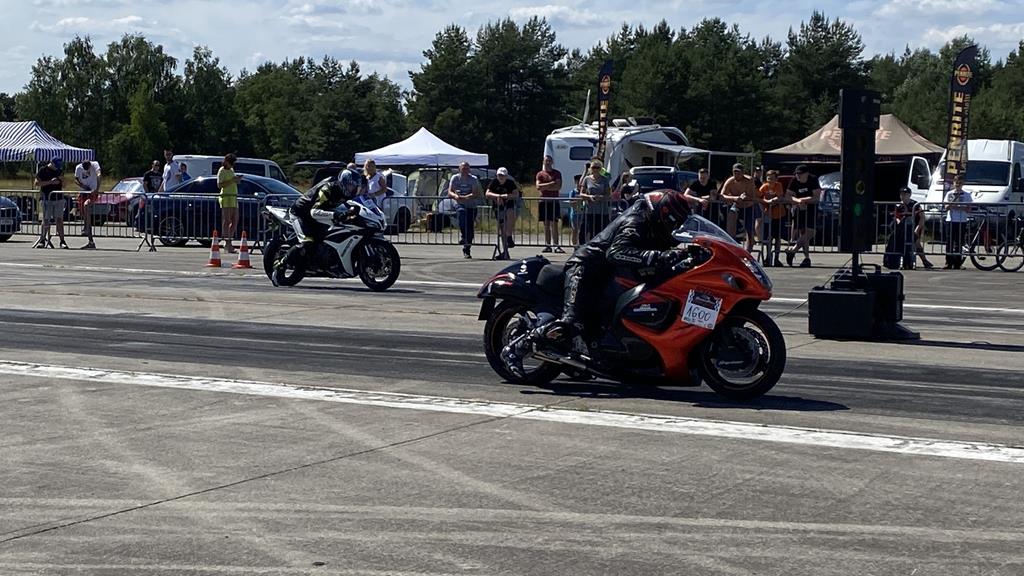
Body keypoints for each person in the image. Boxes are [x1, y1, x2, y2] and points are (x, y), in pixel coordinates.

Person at [504, 191, 694, 373]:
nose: (676, 227)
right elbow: (616, 252)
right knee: (571, 322)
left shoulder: (655, 223)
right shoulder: (636, 221)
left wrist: (690, 253)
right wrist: (657, 256)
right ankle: (517, 348)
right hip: (586, 268)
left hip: (610, 274)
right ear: (663, 214)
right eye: (675, 221)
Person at [274, 168, 364, 279]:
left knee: (328, 236)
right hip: (301, 214)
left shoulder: (347, 193)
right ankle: (281, 263)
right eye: (352, 186)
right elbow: (314, 212)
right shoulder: (327, 189)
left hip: (320, 215)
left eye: (356, 186)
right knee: (307, 242)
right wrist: (336, 215)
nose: (354, 189)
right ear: (344, 183)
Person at [785, 165, 821, 268]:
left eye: (800, 174)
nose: (798, 176)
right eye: (796, 174)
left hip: (811, 208)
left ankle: (793, 250)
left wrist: (804, 200)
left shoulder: (813, 179)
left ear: (806, 173)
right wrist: (798, 201)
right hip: (798, 208)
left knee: (811, 231)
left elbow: (816, 197)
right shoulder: (794, 181)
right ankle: (806, 258)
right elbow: (788, 196)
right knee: (803, 233)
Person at [719, 163, 760, 253]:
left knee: (749, 230)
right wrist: (734, 198)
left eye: (738, 172)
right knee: (731, 215)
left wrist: (745, 198)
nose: (736, 175)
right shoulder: (730, 181)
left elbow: (753, 196)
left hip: (748, 207)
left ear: (743, 173)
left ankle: (748, 251)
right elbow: (722, 195)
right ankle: (732, 245)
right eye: (734, 172)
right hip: (736, 205)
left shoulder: (749, 180)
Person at [893, 186, 934, 270]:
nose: (903, 196)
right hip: (903, 228)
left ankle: (924, 260)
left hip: (915, 227)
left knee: (916, 243)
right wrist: (899, 223)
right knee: (900, 244)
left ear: (910, 195)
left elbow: (922, 217)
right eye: (902, 194)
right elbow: (896, 217)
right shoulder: (899, 205)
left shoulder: (915, 205)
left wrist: (917, 229)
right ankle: (900, 261)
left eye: (905, 194)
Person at [448, 161, 482, 259]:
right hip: (459, 204)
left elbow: (476, 193)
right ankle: (463, 236)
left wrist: (466, 197)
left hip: (471, 205)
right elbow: (450, 192)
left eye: (467, 169)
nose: (465, 171)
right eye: (463, 169)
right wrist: (456, 196)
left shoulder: (473, 179)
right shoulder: (455, 178)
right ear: (459, 169)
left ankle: (467, 249)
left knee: (470, 228)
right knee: (462, 217)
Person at [485, 167, 519, 260]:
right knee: (502, 228)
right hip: (498, 207)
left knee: (510, 215)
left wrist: (505, 196)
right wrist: (498, 196)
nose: (501, 177)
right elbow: (487, 193)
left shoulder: (510, 183)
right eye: (499, 175)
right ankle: (505, 251)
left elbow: (516, 194)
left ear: (506, 176)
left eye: (503, 175)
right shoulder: (494, 182)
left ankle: (509, 236)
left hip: (509, 205)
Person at [34, 157, 67, 249]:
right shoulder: (43, 170)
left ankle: (62, 241)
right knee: (46, 219)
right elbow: (37, 183)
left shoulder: (59, 171)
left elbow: (64, 185)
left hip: (58, 198)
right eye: (56, 165)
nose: (57, 167)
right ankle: (43, 239)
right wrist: (50, 182)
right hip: (46, 198)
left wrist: (62, 179)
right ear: (51, 163)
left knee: (59, 219)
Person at [759, 170, 788, 267]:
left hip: (779, 214)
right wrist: (765, 205)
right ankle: (768, 257)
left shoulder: (778, 185)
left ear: (776, 179)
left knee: (778, 237)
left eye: (772, 178)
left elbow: (780, 196)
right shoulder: (763, 187)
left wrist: (773, 200)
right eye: (768, 178)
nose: (770, 180)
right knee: (769, 237)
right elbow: (759, 198)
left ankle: (776, 257)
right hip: (769, 215)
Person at [579, 159, 612, 243]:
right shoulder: (587, 179)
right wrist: (590, 197)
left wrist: (600, 197)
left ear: (600, 169)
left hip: (602, 211)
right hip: (589, 210)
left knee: (600, 231)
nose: (595, 169)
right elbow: (581, 194)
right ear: (590, 168)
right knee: (586, 230)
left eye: (597, 167)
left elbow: (608, 195)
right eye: (593, 167)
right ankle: (582, 246)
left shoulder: (605, 180)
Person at [943, 175, 973, 270]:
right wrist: (955, 204)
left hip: (962, 221)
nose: (958, 185)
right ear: (953, 183)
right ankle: (948, 262)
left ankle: (957, 263)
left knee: (959, 242)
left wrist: (957, 207)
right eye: (956, 183)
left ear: (962, 184)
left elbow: (968, 209)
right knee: (949, 242)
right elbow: (946, 207)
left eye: (960, 183)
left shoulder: (967, 195)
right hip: (951, 220)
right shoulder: (949, 194)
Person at [535, 155, 564, 253]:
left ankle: (556, 245)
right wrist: (551, 184)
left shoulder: (557, 173)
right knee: (546, 224)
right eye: (546, 161)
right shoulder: (540, 174)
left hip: (554, 201)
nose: (547, 162)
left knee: (554, 224)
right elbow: (538, 187)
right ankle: (547, 245)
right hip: (544, 201)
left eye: (549, 161)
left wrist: (546, 187)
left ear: (552, 162)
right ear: (543, 162)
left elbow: (558, 187)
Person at [217, 153, 242, 253]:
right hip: (226, 197)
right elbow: (219, 185)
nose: (232, 166)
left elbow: (233, 182)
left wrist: (237, 180)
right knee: (226, 220)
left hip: (233, 197)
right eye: (231, 163)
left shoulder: (231, 170)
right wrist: (232, 180)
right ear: (227, 162)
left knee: (235, 220)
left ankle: (229, 240)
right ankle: (227, 243)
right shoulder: (221, 170)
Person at [74, 160, 101, 249]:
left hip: (92, 192)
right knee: (84, 212)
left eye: (88, 168)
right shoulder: (78, 168)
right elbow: (76, 179)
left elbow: (99, 175)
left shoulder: (95, 164)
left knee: (86, 206)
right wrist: (82, 186)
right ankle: (89, 237)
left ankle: (88, 231)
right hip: (83, 192)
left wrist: (97, 189)